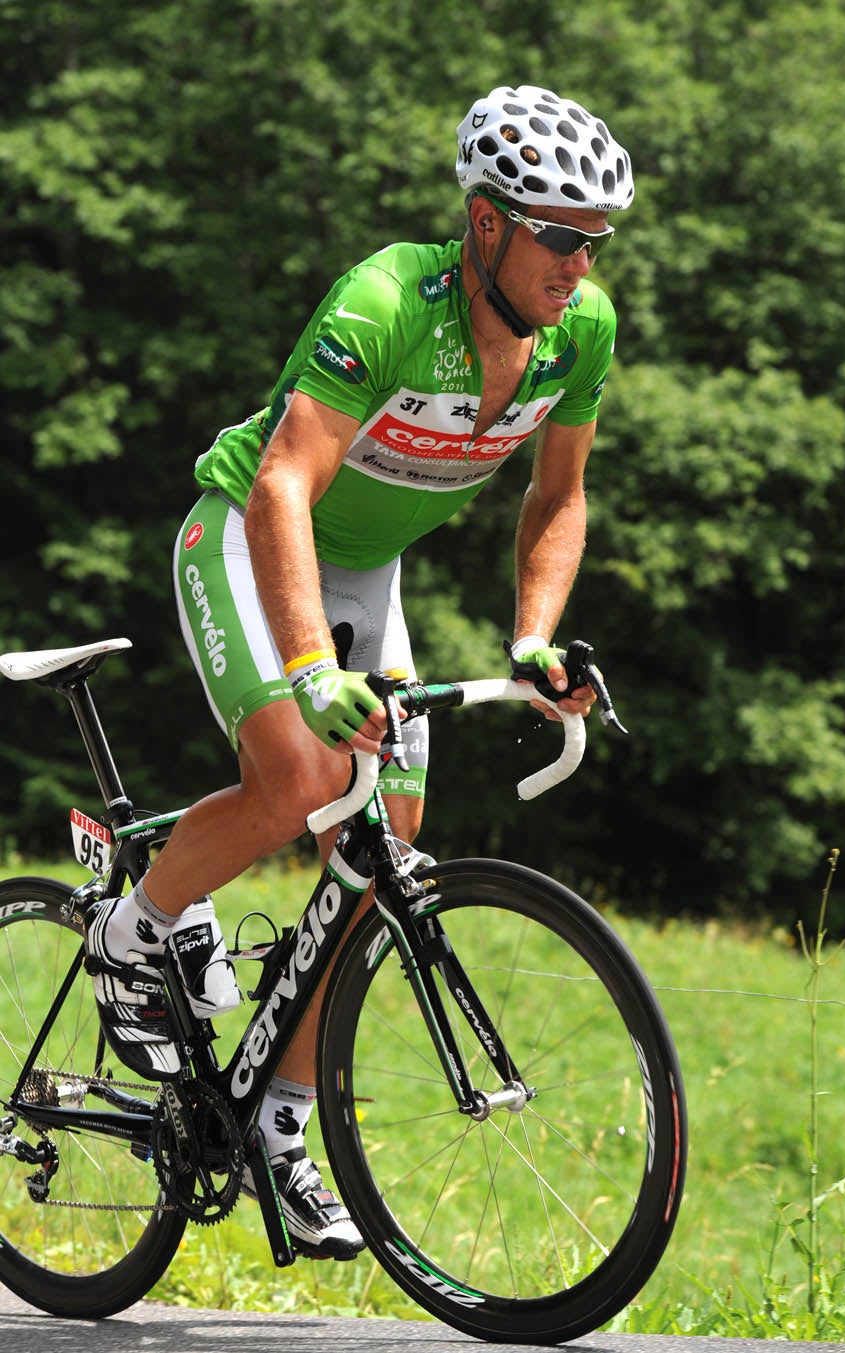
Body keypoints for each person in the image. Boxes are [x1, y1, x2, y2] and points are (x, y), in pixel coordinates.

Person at [85, 84, 634, 1260]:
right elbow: (285, 484)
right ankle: (134, 931)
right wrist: (306, 670)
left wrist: (534, 641)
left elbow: (559, 497)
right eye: (560, 234)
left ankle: (278, 1128)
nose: (580, 262)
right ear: (486, 221)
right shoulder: (386, 300)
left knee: (381, 846)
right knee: (299, 776)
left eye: (597, 239)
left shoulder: (580, 331)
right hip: (249, 534)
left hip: (365, 574)